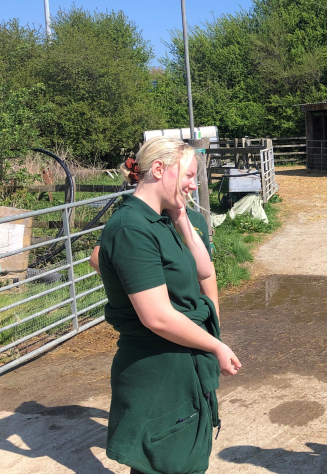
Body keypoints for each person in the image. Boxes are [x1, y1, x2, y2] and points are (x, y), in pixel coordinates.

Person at [97, 136, 241, 474]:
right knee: (165, 463)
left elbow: (204, 270)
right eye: (189, 175)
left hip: (181, 361)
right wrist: (216, 345)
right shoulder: (131, 227)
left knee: (183, 460)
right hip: (157, 367)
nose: (193, 185)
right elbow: (157, 317)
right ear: (159, 169)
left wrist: (181, 219)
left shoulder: (162, 221)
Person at [90, 202, 221, 320]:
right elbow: (96, 258)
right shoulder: (133, 219)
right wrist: (143, 289)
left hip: (188, 312)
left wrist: (215, 317)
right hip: (152, 316)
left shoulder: (196, 219)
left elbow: (207, 272)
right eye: (186, 176)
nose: (192, 184)